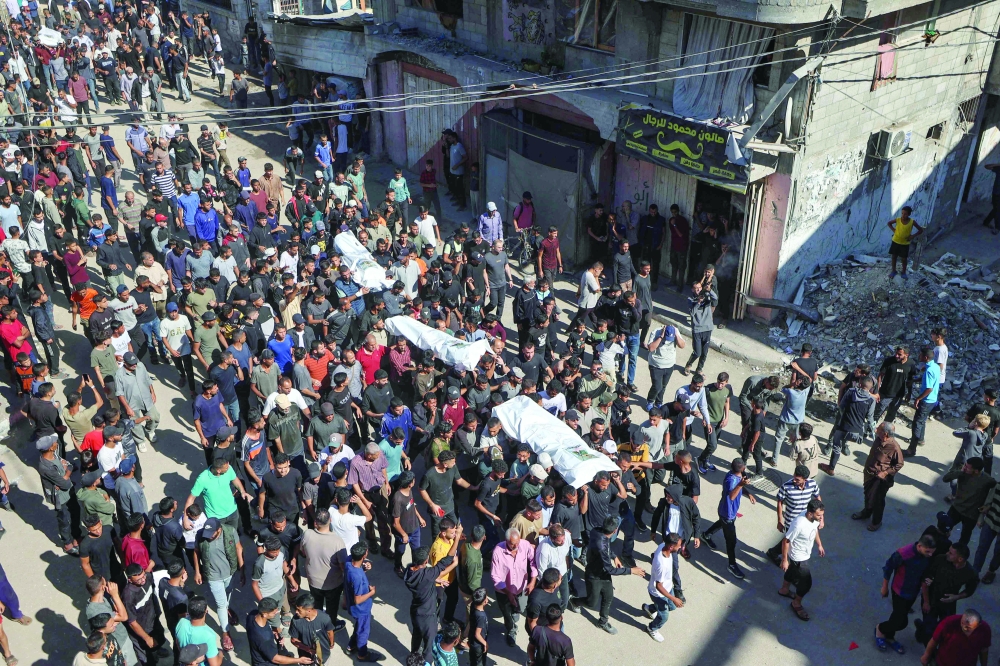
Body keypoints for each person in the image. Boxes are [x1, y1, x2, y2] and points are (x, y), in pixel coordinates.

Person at [569, 515, 645, 635]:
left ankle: (602, 622)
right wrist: (631, 571)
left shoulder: (597, 531)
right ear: (615, 531)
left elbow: (607, 546)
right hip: (594, 576)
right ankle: (574, 601)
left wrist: (614, 556)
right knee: (591, 602)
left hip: (603, 574)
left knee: (608, 597)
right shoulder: (601, 546)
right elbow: (610, 570)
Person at [876, 534, 937, 653]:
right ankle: (880, 630)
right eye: (928, 551)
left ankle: (889, 636)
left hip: (913, 592)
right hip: (899, 591)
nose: (930, 555)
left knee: (897, 616)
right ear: (919, 546)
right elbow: (888, 567)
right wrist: (884, 587)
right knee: (901, 622)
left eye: (932, 552)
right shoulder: (903, 553)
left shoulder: (926, 556)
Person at [404, 531, 460, 662]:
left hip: (415, 611)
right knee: (429, 646)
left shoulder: (409, 572)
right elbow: (447, 559)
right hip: (427, 615)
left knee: (417, 636)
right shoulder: (428, 574)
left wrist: (436, 579)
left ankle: (413, 659)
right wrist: (456, 539)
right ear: (426, 561)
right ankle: (426, 663)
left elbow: (425, 579)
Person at [702, 458, 756, 579]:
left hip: (727, 512)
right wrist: (741, 484)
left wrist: (749, 494)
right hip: (728, 513)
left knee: (722, 523)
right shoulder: (731, 480)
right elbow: (732, 496)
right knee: (731, 541)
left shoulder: (737, 475)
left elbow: (740, 486)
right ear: (742, 468)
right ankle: (732, 565)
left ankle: (706, 535)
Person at [778, 499, 826, 622]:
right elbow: (786, 541)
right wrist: (784, 560)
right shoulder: (799, 524)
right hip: (798, 557)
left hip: (804, 554)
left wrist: (819, 545)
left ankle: (784, 590)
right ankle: (796, 604)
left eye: (822, 515)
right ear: (810, 513)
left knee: (792, 571)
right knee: (806, 584)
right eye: (819, 515)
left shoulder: (813, 519)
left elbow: (814, 529)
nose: (821, 518)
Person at [490, 528, 538, 646]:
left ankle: (515, 611)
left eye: (517, 542)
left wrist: (532, 581)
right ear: (506, 541)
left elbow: (533, 562)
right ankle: (511, 630)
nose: (516, 546)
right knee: (507, 614)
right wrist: (508, 593)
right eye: (512, 544)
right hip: (503, 591)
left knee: (520, 608)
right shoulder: (498, 551)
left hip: (521, 587)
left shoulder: (525, 545)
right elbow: (495, 576)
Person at [766, 465, 821, 566]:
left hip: (807, 520)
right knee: (790, 541)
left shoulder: (812, 484)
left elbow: (818, 498)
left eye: (797, 479)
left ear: (805, 479)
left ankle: (773, 552)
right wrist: (779, 521)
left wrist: (821, 518)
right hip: (791, 522)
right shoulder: (786, 487)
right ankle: (788, 562)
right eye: (794, 476)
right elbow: (779, 503)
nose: (794, 480)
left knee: (792, 540)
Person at [343, 541, 384, 662]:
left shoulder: (348, 562)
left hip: (353, 607)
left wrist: (364, 568)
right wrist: (371, 593)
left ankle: (351, 646)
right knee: (363, 632)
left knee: (359, 627)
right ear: (364, 556)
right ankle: (362, 654)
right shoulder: (357, 576)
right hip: (361, 609)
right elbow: (357, 599)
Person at [641, 534, 684, 641]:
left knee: (672, 607)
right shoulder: (661, 564)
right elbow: (658, 586)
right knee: (664, 616)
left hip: (668, 588)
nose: (680, 547)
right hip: (658, 594)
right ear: (671, 547)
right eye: (678, 546)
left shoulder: (662, 545)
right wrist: (674, 598)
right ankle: (652, 628)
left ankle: (650, 608)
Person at [919, 609, 991, 666]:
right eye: (962, 623)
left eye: (968, 627)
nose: (963, 628)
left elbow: (984, 650)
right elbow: (934, 640)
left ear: (978, 625)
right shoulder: (949, 622)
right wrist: (926, 656)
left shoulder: (985, 630)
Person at [907, 347, 941, 456]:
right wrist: (915, 380)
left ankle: (912, 449)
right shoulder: (935, 366)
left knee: (917, 422)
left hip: (926, 400)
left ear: (926, 357)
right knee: (922, 420)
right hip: (932, 400)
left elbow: (929, 388)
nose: (919, 356)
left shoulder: (929, 370)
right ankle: (921, 440)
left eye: (920, 355)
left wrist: (918, 398)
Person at [683, 281, 717, 375]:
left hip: (707, 328)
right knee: (697, 352)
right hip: (697, 329)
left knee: (704, 353)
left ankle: (699, 369)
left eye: (699, 287)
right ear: (692, 290)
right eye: (696, 288)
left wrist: (709, 290)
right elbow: (692, 313)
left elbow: (715, 298)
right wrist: (698, 302)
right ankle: (688, 365)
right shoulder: (690, 299)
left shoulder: (707, 295)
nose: (698, 289)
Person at [887, 206, 923, 278]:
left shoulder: (912, 222)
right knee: (894, 257)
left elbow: (920, 230)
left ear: (909, 214)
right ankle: (893, 270)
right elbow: (889, 223)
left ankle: (903, 272)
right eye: (902, 213)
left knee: (904, 259)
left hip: (905, 243)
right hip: (895, 241)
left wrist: (912, 236)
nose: (903, 215)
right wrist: (894, 230)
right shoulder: (898, 220)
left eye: (905, 214)